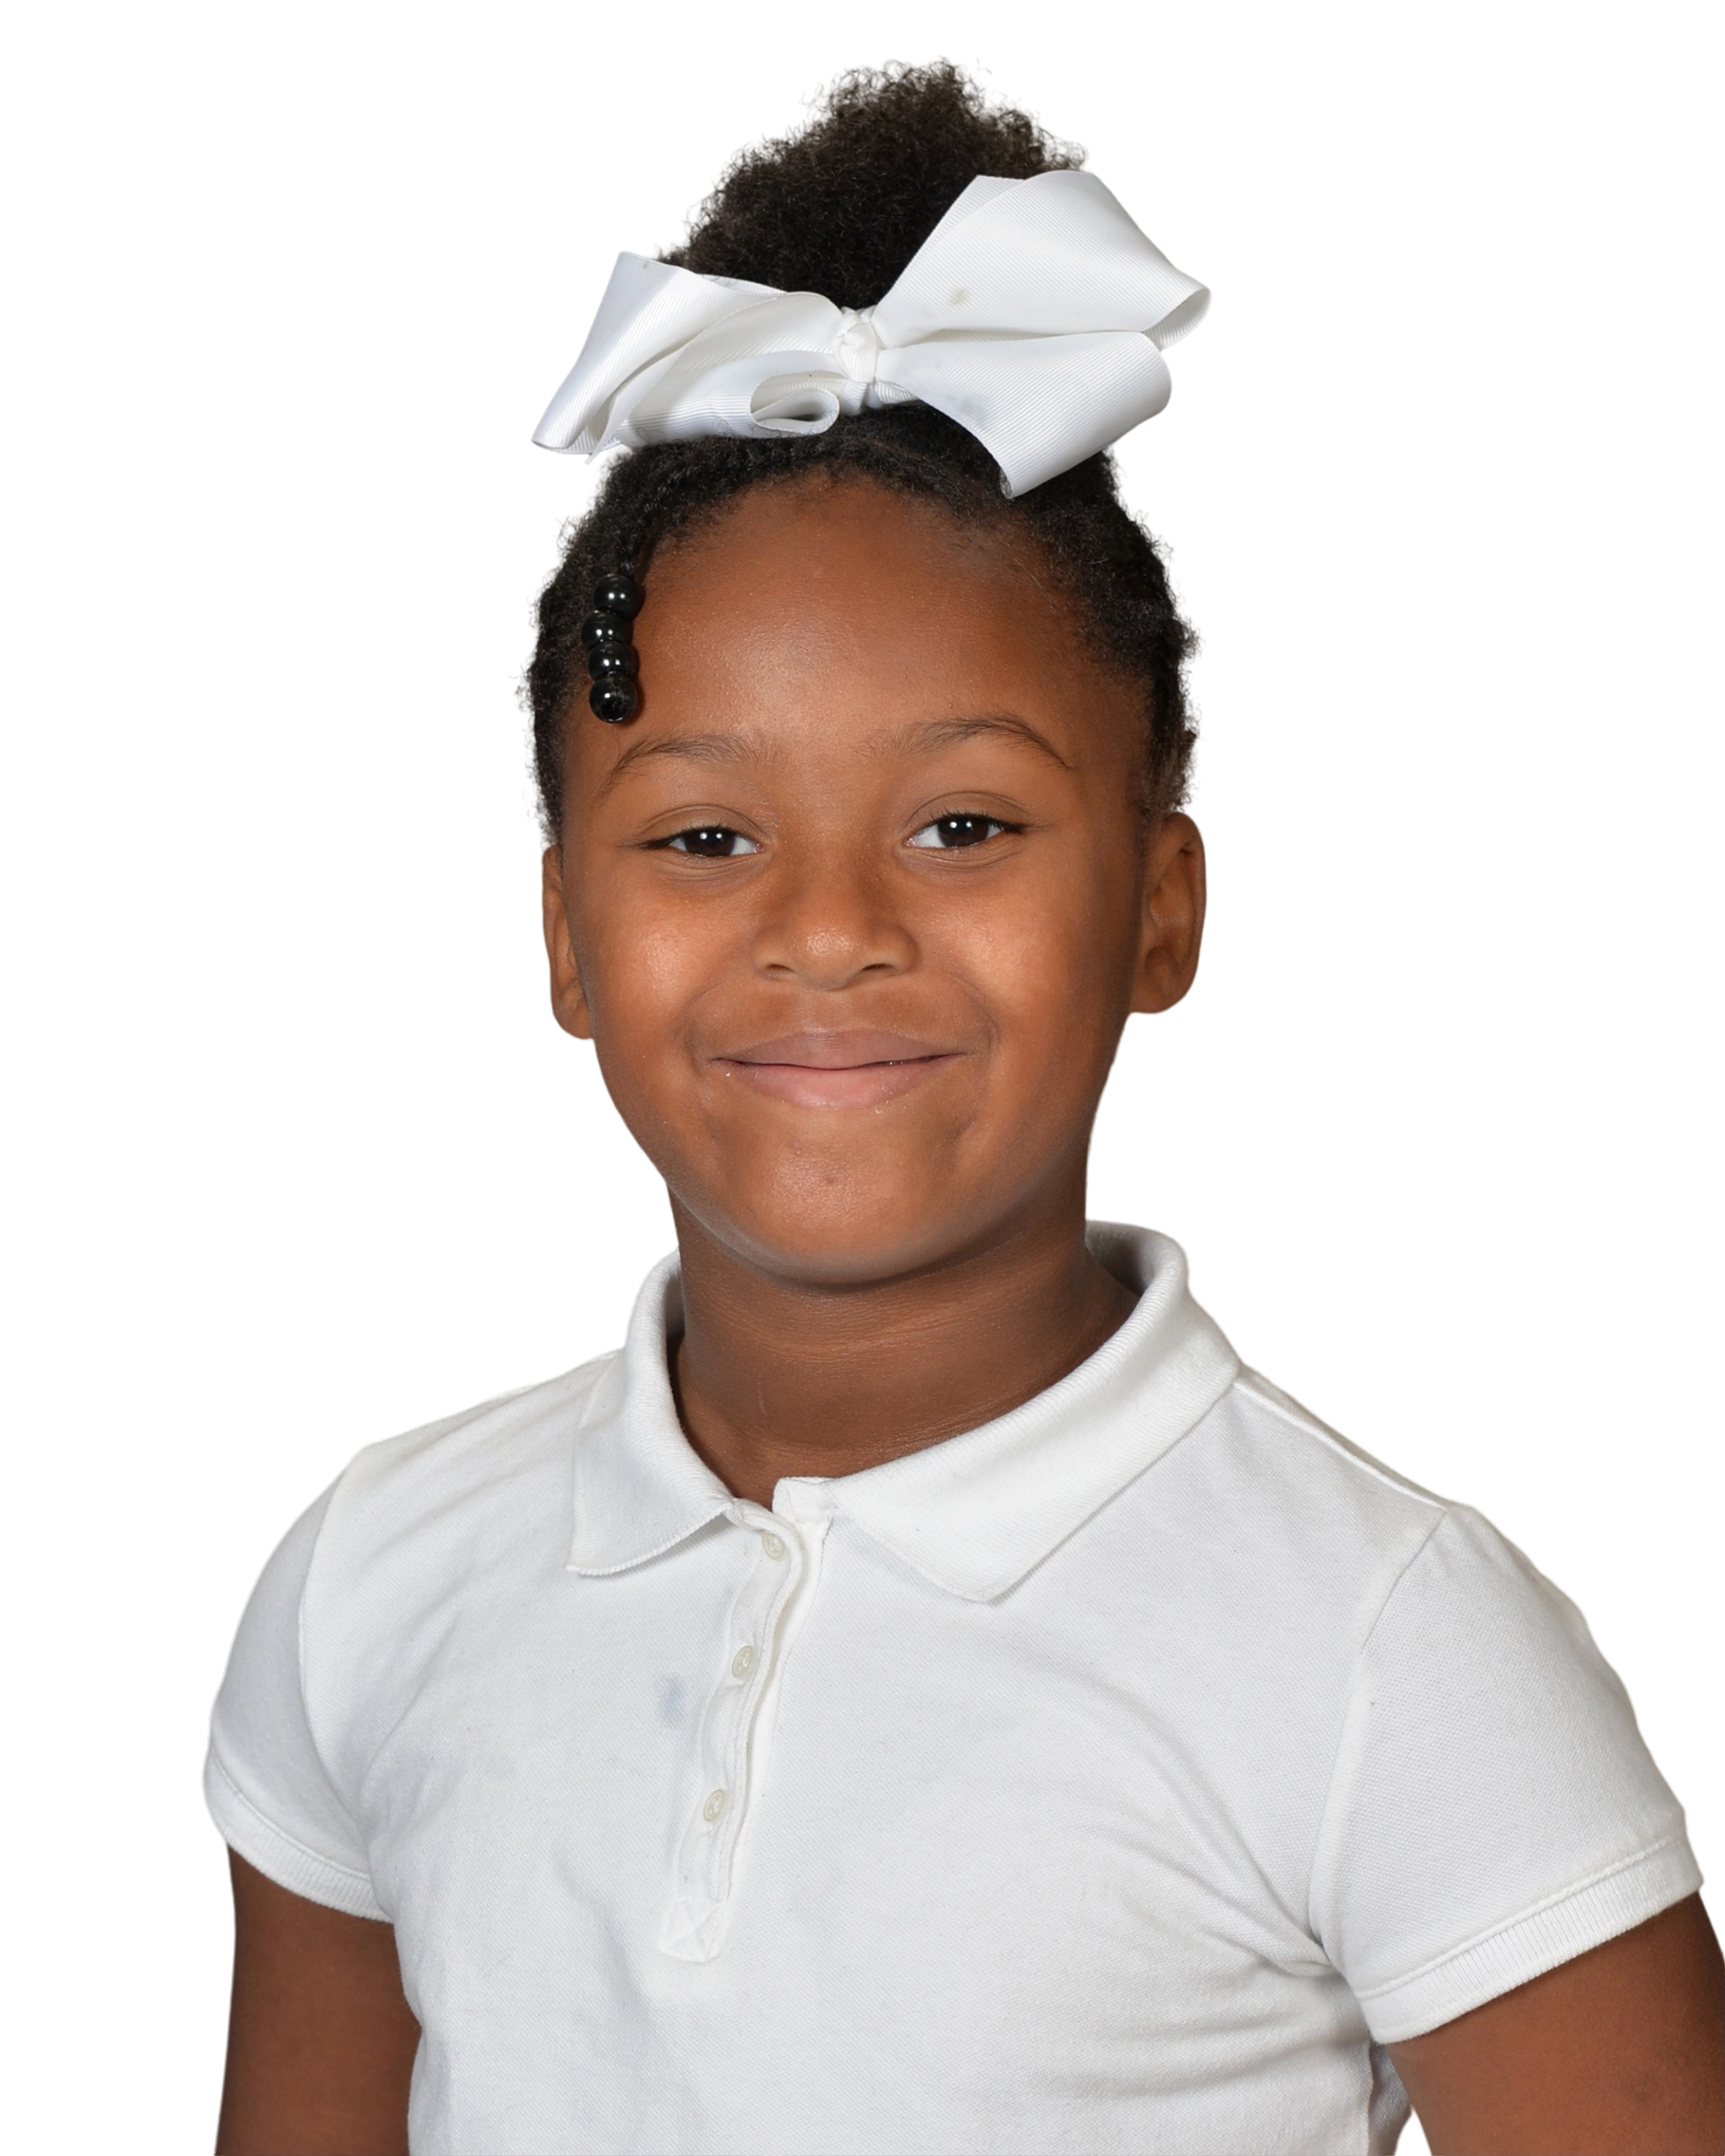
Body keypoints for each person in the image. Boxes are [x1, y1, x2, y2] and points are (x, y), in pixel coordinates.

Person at [199, 53, 1725, 2156]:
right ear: (562, 935)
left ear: (1166, 906)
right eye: (705, 839)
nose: (830, 933)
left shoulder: (1393, 1647)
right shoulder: (377, 1577)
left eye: (964, 824)